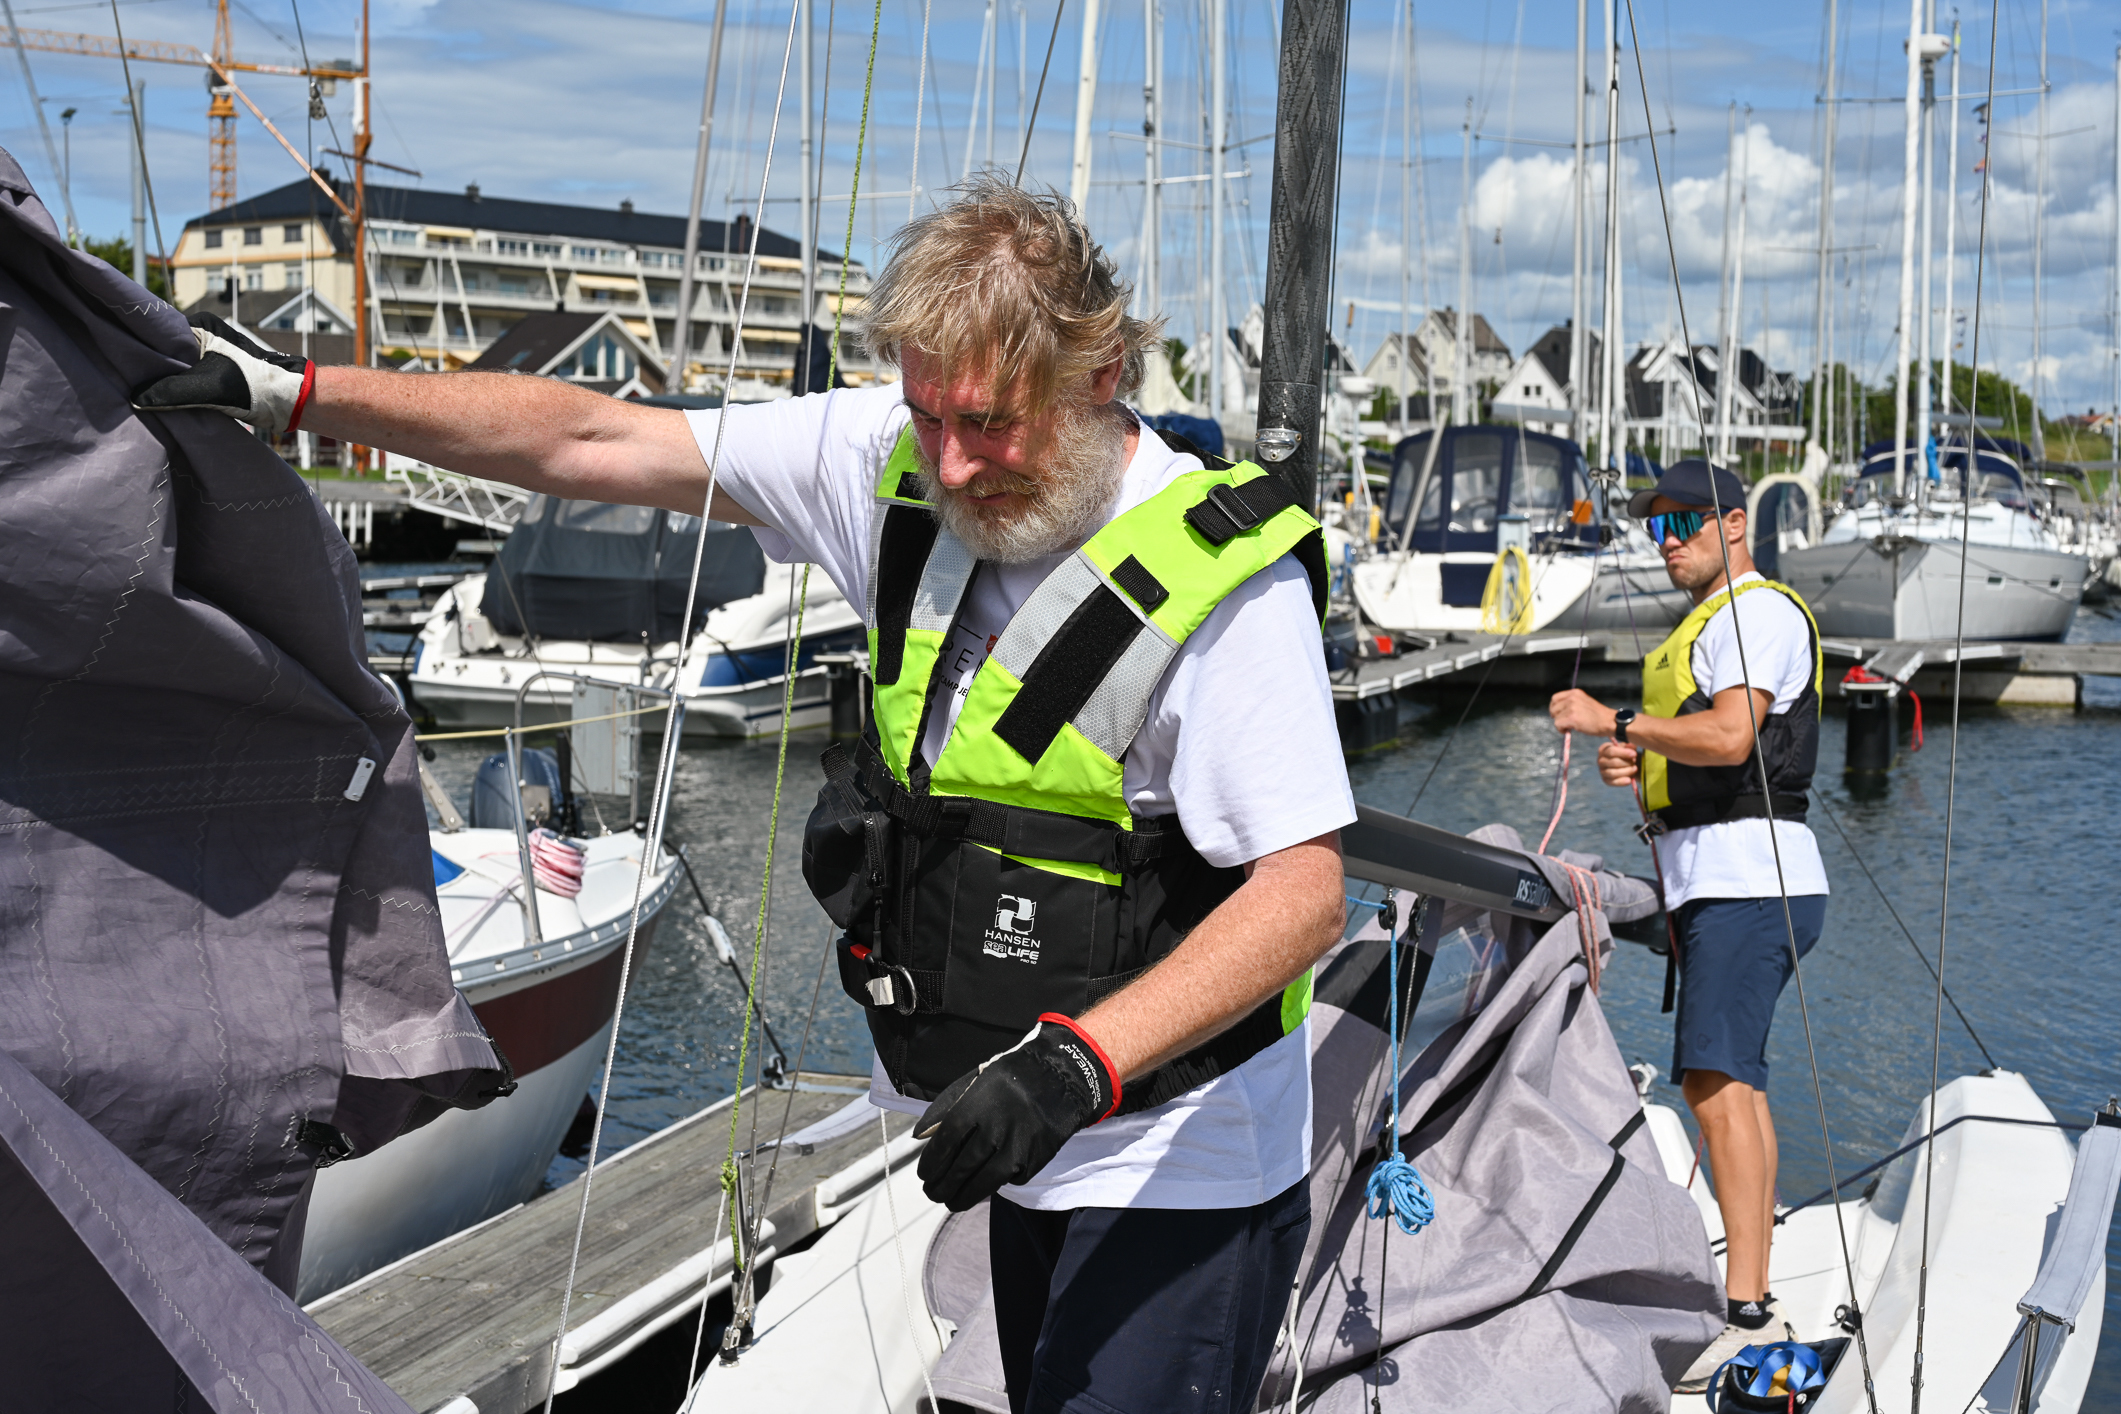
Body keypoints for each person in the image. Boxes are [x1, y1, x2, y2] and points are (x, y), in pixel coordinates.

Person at [134, 176, 1354, 1414]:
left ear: (1103, 374)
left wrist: (1072, 1070)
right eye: (926, 414)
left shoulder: (1229, 597)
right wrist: (300, 392)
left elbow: (1305, 896)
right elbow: (589, 437)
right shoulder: (885, 463)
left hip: (1172, 1162)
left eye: (989, 421)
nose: (951, 461)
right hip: (1016, 1147)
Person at [1545, 459, 1827, 1385]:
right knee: (1731, 1082)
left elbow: (1733, 738)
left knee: (1713, 1082)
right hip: (1718, 877)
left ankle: (1744, 1311)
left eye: (1683, 524)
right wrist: (1634, 753)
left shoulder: (1752, 613)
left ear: (1734, 524)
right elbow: (1698, 744)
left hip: (1751, 876)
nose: (1667, 542)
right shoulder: (1711, 626)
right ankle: (1752, 1286)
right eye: (1655, 528)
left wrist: (1611, 718)